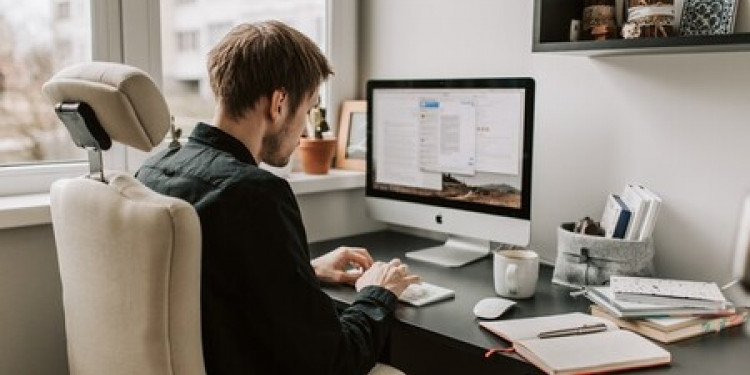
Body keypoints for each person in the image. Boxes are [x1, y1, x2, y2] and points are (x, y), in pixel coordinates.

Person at [136, 21, 420, 375]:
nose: (304, 130)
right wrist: (378, 293)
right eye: (308, 109)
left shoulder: (155, 169)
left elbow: (205, 285)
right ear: (279, 102)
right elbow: (333, 361)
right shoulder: (254, 194)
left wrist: (303, 272)